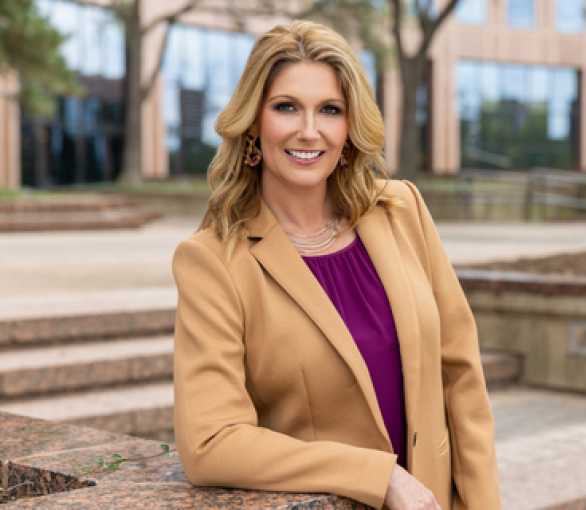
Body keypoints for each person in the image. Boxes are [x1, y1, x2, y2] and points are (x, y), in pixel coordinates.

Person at [171, 20, 500, 510]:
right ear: (254, 122)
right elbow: (210, 442)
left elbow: (462, 380)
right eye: (286, 107)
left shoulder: (401, 210)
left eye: (330, 109)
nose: (309, 131)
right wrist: (379, 476)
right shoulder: (213, 260)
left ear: (349, 128)